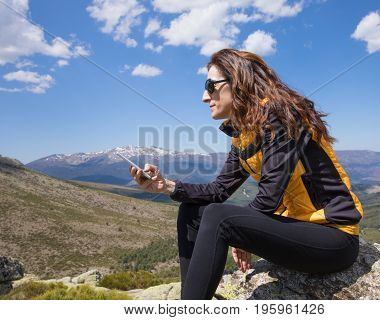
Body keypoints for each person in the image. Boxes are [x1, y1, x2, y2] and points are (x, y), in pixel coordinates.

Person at [129, 48, 364, 300]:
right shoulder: (245, 133)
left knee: (219, 216)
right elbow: (218, 190)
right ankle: (192, 299)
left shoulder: (281, 116)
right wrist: (166, 186)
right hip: (296, 230)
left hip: (333, 239)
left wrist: (241, 232)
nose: (203, 97)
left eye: (210, 85)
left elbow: (268, 197)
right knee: (191, 210)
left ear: (237, 82)